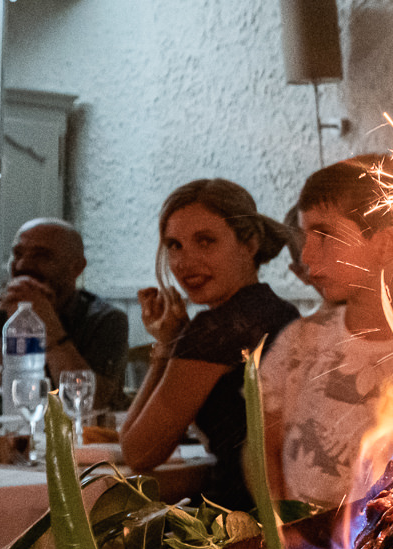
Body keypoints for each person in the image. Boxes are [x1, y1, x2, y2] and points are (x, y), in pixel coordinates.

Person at [260, 157, 393, 511]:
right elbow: (267, 446)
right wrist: (282, 527)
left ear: (385, 246)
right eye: (306, 237)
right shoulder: (298, 342)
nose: (306, 254)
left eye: (325, 235)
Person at [122, 180, 299, 511]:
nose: (185, 262)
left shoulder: (217, 329)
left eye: (205, 242)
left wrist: (166, 348)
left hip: (238, 516)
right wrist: (174, 341)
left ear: (250, 243)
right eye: (175, 245)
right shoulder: (278, 310)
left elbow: (138, 452)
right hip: (286, 511)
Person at [0, 218, 129, 407]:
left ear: (77, 267)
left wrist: (50, 328)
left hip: (77, 427)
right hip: (9, 424)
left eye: (41, 256)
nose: (22, 265)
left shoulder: (105, 320)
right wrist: (17, 334)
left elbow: (93, 404)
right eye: (17, 254)